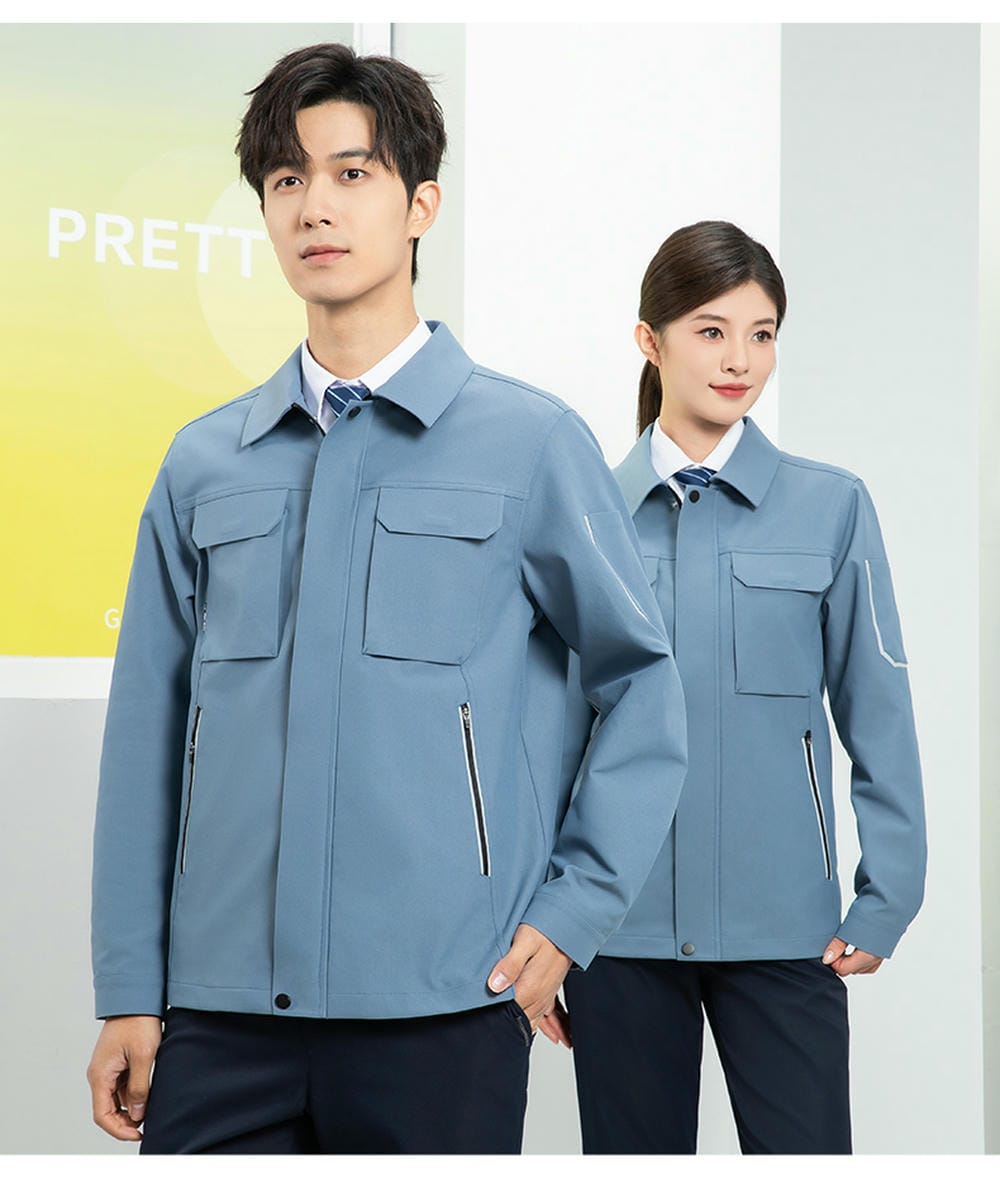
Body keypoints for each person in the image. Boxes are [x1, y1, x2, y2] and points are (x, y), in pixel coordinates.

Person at [85, 43, 687, 1155]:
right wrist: (130, 985)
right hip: (220, 1014)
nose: (314, 205)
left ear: (420, 205)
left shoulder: (529, 443)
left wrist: (574, 910)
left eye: (351, 173)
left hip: (444, 1007)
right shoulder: (204, 463)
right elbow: (147, 736)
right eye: (287, 179)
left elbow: (644, 688)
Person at [545, 221, 926, 1154]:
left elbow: (878, 712)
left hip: (786, 926)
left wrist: (888, 894)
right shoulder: (584, 514)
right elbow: (545, 736)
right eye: (711, 331)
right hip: (617, 931)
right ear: (651, 339)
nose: (740, 360)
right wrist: (545, 920)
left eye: (762, 334)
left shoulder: (831, 506)